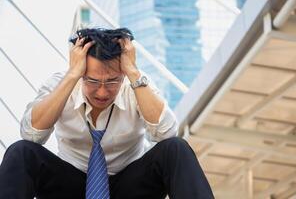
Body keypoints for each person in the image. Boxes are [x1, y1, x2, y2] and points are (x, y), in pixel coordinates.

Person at [0, 28, 214, 199]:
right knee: (21, 151)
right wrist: (73, 75)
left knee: (175, 148)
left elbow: (166, 134)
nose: (102, 92)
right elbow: (31, 135)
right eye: (92, 81)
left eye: (112, 81)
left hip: (129, 186)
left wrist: (132, 72)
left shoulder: (136, 84)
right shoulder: (61, 83)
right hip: (70, 186)